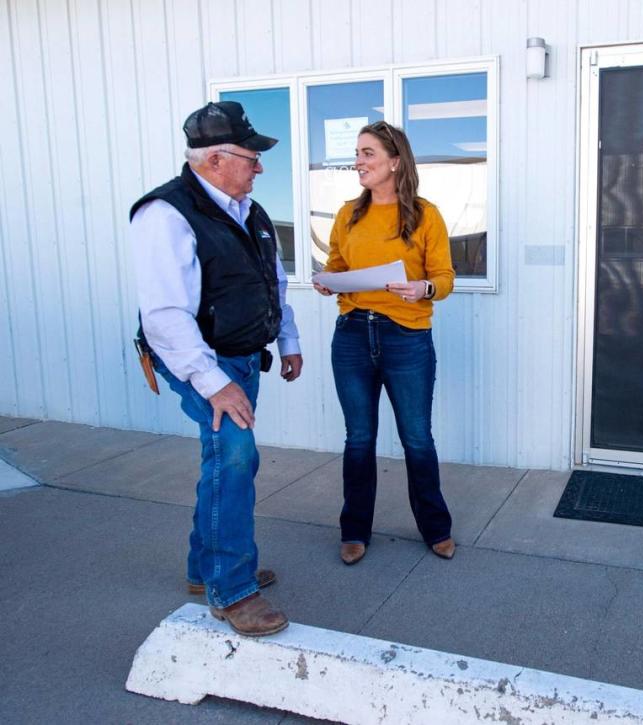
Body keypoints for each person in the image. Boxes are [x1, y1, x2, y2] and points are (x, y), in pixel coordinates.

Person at [130, 101, 303, 637]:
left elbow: (271, 282)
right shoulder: (165, 214)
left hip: (243, 356)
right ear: (214, 159)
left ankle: (201, 569)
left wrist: (287, 337)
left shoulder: (247, 210)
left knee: (224, 461)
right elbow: (164, 318)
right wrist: (216, 384)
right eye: (252, 157)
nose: (260, 167)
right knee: (234, 457)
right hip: (202, 363)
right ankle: (231, 587)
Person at [314, 120, 455, 565]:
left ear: (395, 161)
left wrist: (424, 290)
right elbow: (335, 264)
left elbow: (444, 277)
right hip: (354, 333)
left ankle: (435, 528)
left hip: (406, 337)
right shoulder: (347, 213)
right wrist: (328, 282)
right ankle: (354, 530)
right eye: (357, 153)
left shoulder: (425, 213)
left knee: (416, 438)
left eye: (368, 153)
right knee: (359, 438)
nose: (359, 161)